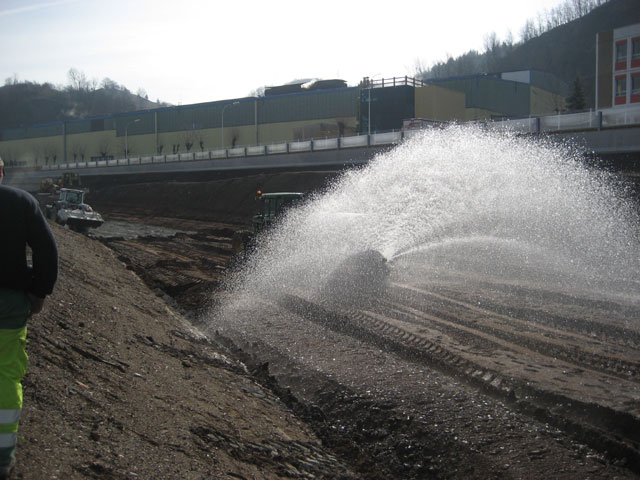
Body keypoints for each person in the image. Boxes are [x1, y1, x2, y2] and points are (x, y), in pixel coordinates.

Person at [0, 157, 58, 478]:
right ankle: (2, 457)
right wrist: (39, 293)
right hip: (9, 304)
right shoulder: (22, 202)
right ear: (1, 173)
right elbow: (47, 251)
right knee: (6, 375)